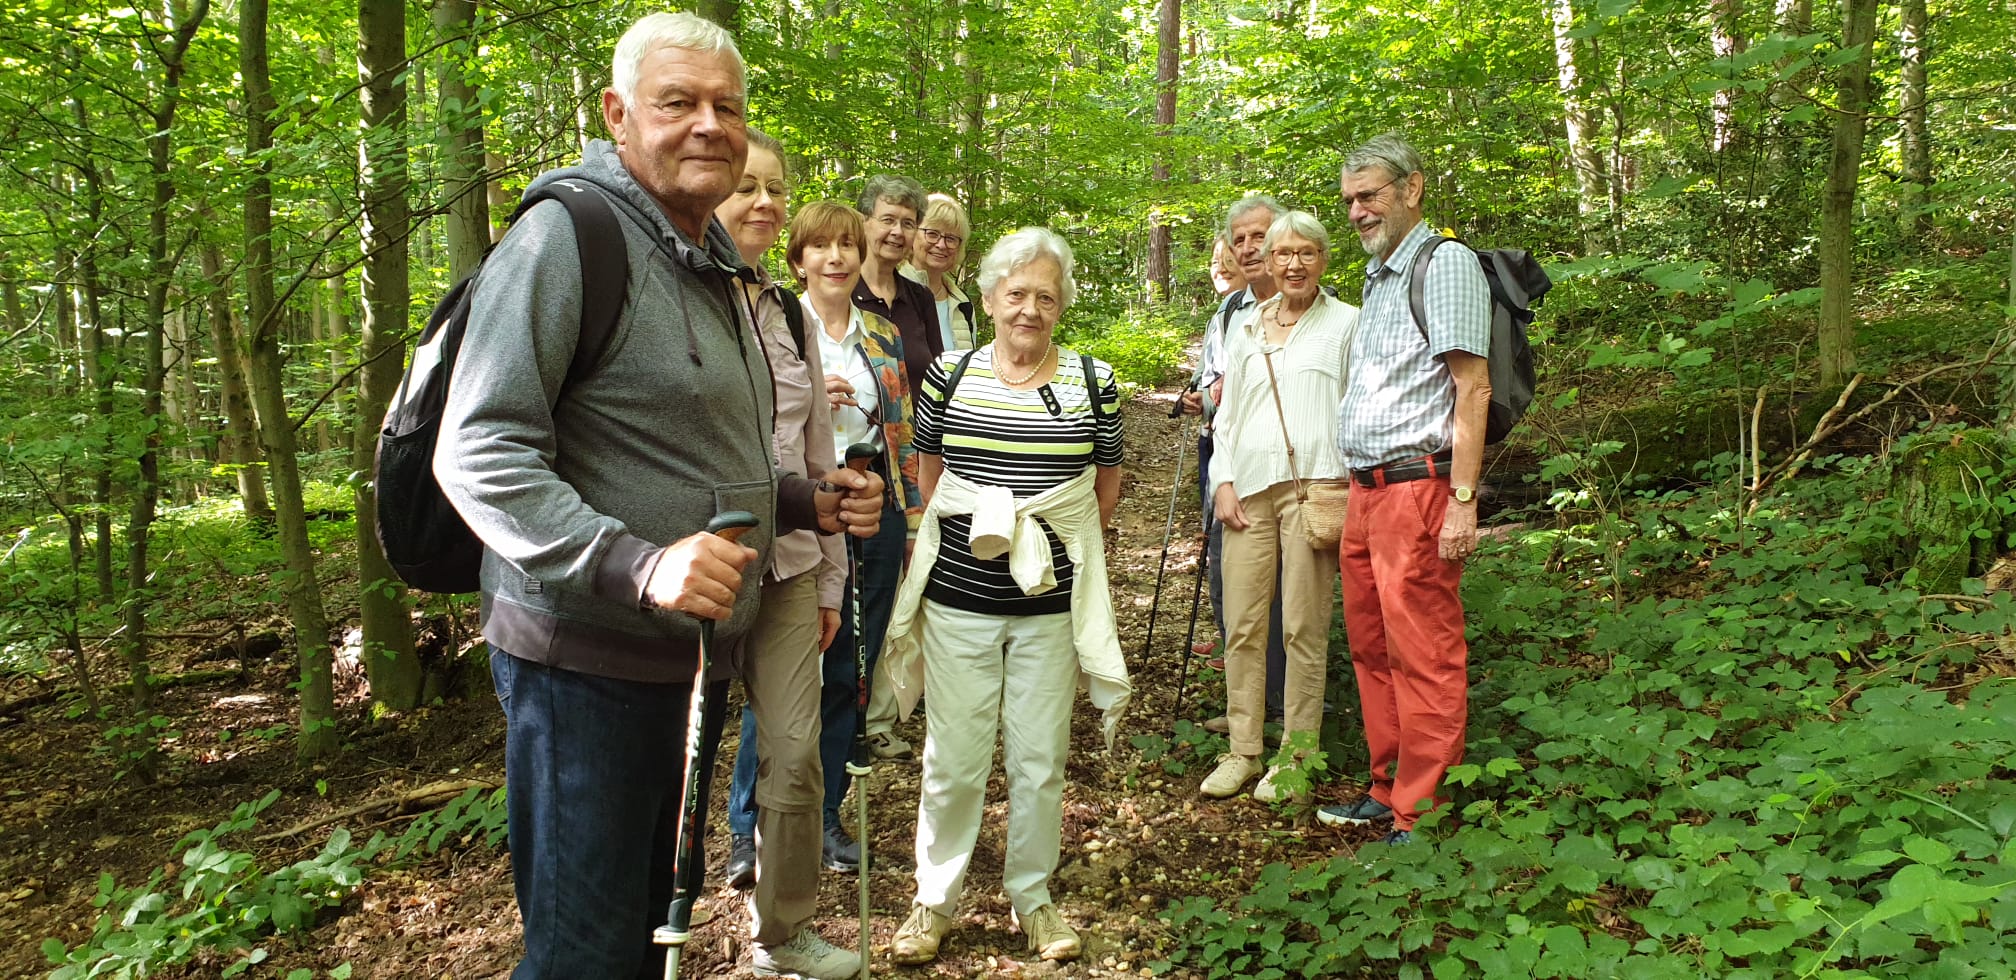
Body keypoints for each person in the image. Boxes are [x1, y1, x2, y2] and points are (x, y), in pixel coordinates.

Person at [432, 15, 884, 978]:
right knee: (584, 955)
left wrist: (805, 503)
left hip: (679, 662)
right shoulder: (569, 235)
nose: (708, 126)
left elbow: (691, 456)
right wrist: (638, 564)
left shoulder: (709, 261)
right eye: (678, 103)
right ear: (618, 113)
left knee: (643, 936)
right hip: (582, 668)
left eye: (726, 106)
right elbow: (476, 448)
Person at [877, 228, 1129, 967]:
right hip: (959, 601)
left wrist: (1038, 547)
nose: (1029, 309)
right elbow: (931, 482)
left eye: (1045, 296)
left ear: (1062, 306)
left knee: (1039, 759)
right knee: (953, 759)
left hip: (1049, 609)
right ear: (988, 300)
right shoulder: (948, 375)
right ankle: (934, 899)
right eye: (1015, 294)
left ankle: (1034, 896)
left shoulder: (1093, 381)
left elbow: (1101, 493)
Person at [710, 131, 863, 979]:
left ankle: (785, 931)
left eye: (775, 188)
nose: (764, 203)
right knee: (668, 758)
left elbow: (816, 458)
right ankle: (632, 930)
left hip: (793, 567)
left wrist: (832, 578)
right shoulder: (670, 298)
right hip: (691, 567)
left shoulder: (788, 312)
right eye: (745, 187)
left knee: (798, 753)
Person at [1318, 134, 1491, 845]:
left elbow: (1471, 386)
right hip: (1366, 494)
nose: (1358, 211)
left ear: (1412, 189)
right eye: (1350, 200)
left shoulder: (1444, 264)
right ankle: (1387, 790)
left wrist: (1462, 499)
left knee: (1424, 654)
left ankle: (1422, 812)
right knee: (1371, 649)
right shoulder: (1379, 276)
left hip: (1418, 489)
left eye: (1370, 195)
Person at [1199, 212, 1359, 803]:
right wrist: (1222, 482)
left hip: (1314, 492)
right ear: (1267, 259)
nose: (1293, 264)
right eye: (1282, 253)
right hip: (1248, 492)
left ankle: (1296, 754)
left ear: (1323, 259)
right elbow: (1229, 417)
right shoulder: (1245, 329)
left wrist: (1349, 486)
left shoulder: (1347, 324)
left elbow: (1356, 411)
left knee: (1302, 627)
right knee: (1242, 625)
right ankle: (1243, 749)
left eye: (1306, 253)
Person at [787, 200, 925, 867]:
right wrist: (817, 393)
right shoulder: (780, 329)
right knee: (783, 668)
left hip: (873, 505)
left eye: (846, 245)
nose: (836, 258)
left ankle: (826, 816)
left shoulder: (881, 334)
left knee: (850, 669)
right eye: (821, 247)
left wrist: (912, 513)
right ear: (799, 260)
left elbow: (901, 427)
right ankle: (749, 827)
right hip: (801, 510)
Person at [1180, 198, 1291, 733]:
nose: (1250, 248)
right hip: (1234, 470)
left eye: (1260, 236)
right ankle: (1247, 707)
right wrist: (1209, 396)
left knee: (1292, 592)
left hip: (1297, 474)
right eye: (1240, 238)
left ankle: (1291, 711)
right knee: (1231, 586)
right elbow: (1209, 392)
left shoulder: (1322, 306)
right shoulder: (1229, 313)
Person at [854, 174, 944, 394]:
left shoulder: (920, 298)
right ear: (864, 222)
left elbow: (939, 380)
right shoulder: (841, 292)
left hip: (918, 428)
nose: (897, 232)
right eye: (888, 220)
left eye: (908, 224)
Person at [901, 192, 977, 350]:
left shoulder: (963, 305)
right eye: (932, 234)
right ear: (913, 234)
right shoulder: (891, 291)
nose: (941, 245)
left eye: (950, 238)